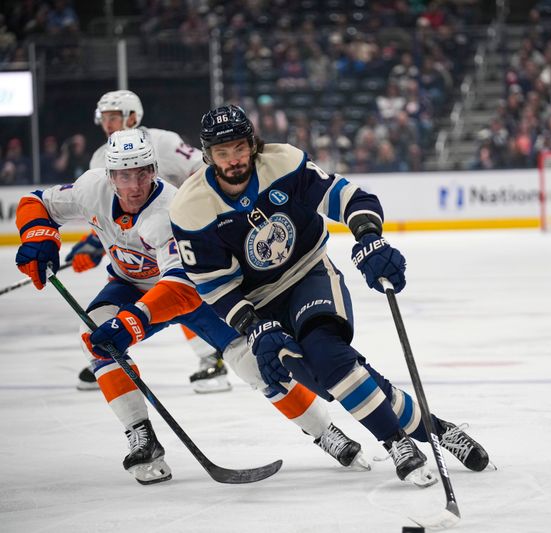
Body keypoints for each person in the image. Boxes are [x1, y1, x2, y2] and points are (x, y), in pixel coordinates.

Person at [14, 128, 368, 484]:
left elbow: (181, 287)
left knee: (252, 363)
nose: (134, 185)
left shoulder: (169, 211)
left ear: (154, 169)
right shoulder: (91, 188)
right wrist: (38, 235)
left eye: (142, 173)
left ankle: (326, 433)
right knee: (93, 334)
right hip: (129, 286)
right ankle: (142, 437)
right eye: (124, 175)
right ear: (110, 176)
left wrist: (132, 323)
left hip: (196, 292)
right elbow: (37, 202)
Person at [170, 105, 491, 486]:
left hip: (309, 273)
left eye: (239, 148)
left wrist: (370, 238)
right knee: (335, 379)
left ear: (252, 144)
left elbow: (350, 198)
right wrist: (252, 327)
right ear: (207, 155)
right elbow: (213, 285)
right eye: (222, 153)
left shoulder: (283, 163)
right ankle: (438, 428)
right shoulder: (190, 208)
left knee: (327, 354)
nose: (233, 159)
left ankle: (397, 443)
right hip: (260, 304)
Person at [69, 89, 229, 393]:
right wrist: (92, 244)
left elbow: (204, 170)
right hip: (141, 243)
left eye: (114, 117)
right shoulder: (101, 158)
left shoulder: (162, 141)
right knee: (134, 290)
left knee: (180, 292)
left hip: (182, 231)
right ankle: (112, 356)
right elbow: (108, 212)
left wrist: (201, 212)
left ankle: (212, 358)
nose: (108, 124)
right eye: (104, 118)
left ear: (132, 116)